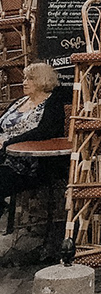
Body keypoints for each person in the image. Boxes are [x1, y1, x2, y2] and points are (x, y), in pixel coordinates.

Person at [0, 63, 66, 213]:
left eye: (30, 79)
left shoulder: (52, 104)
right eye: (24, 78)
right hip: (4, 156)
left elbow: (43, 133)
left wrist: (7, 142)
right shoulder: (19, 102)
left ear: (42, 81)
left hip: (27, 165)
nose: (24, 82)